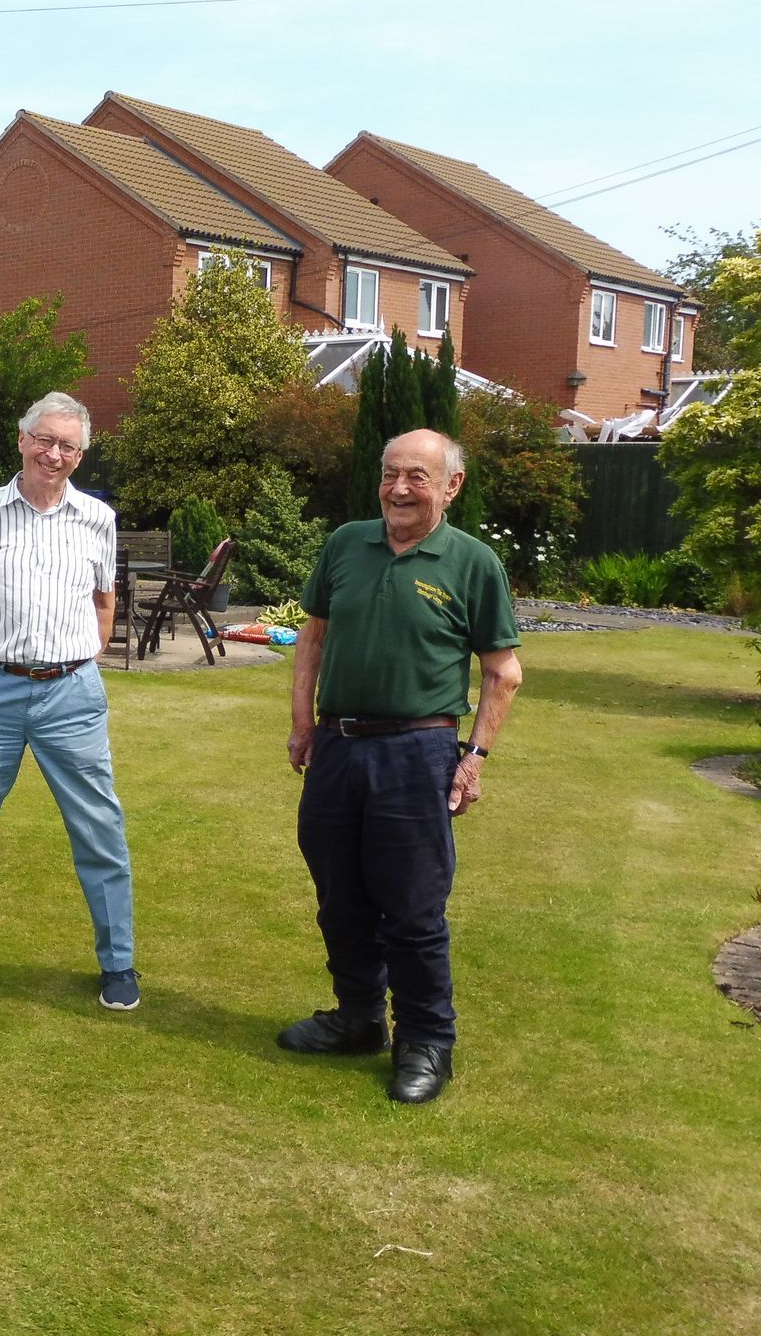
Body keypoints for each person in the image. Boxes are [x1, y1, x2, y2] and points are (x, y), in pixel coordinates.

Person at [283, 427, 523, 1105]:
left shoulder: (472, 563)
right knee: (340, 897)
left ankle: (427, 1040)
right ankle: (359, 1019)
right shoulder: (345, 544)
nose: (399, 488)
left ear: (451, 486)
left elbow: (503, 672)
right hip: (338, 746)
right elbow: (312, 639)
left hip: (417, 752)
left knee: (413, 908)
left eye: (418, 476)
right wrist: (303, 723)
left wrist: (473, 760)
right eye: (391, 473)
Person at [0, 392, 139, 1011]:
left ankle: (118, 963)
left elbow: (104, 602)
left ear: (80, 455)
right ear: (22, 440)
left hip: (71, 695)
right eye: (44, 440)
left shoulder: (97, 519)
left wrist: (82, 661)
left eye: (67, 446)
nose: (53, 454)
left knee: (99, 830)